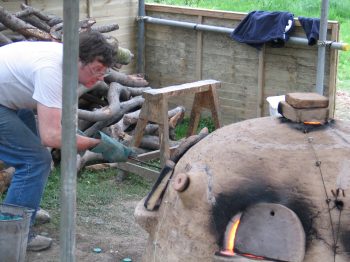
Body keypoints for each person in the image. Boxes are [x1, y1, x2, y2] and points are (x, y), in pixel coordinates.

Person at [0, 31, 117, 251]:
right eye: (96, 70)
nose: (100, 78)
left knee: (33, 158)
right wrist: (96, 145)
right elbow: (51, 136)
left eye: (104, 72)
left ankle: (24, 210)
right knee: (35, 161)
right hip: (2, 102)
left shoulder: (64, 60)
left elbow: (57, 121)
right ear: (78, 60)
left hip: (8, 99)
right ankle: (12, 236)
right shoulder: (52, 71)